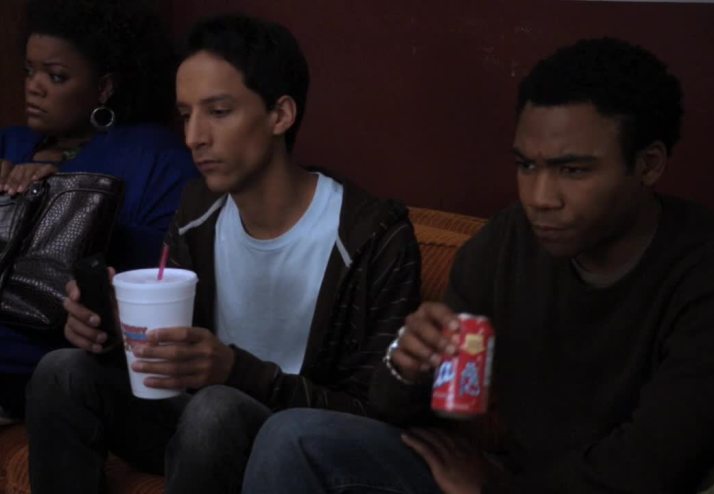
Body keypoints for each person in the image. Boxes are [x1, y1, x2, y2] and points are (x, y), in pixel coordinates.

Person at [238, 38, 714, 493]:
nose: (540, 197)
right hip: (496, 477)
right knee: (294, 438)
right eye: (527, 166)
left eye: (573, 170)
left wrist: (499, 486)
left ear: (648, 165)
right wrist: (408, 365)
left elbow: (652, 466)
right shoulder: (509, 242)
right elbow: (404, 410)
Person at [25, 14, 421, 494]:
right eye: (186, 115)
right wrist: (114, 330)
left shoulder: (371, 235)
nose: (194, 137)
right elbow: (176, 358)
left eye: (218, 111)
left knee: (217, 407)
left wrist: (236, 372)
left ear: (280, 115)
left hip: (296, 444)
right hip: (199, 429)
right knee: (62, 371)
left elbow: (374, 415)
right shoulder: (198, 210)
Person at [0, 0, 197, 422]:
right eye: (29, 71)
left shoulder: (154, 157)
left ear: (104, 87)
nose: (34, 87)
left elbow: (169, 272)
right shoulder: (9, 144)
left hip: (60, 361)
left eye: (56, 76)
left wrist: (58, 197)